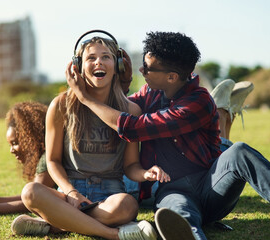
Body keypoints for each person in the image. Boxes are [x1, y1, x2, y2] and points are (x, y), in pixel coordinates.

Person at [67, 31, 270, 240]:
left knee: (239, 151)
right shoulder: (150, 92)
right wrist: (123, 82)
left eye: (148, 68)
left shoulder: (198, 101)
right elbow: (118, 108)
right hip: (172, 190)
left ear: (171, 77)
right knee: (175, 216)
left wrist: (85, 98)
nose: (142, 70)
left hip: (211, 185)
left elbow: (132, 127)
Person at [16, 33, 165, 240]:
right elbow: (52, 160)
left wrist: (145, 173)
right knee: (30, 192)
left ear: (117, 65)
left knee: (128, 206)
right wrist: (70, 192)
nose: (99, 62)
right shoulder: (60, 105)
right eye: (91, 58)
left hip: (111, 195)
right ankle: (113, 234)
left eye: (106, 57)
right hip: (70, 193)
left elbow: (131, 166)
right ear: (77, 66)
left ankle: (58, 224)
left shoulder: (131, 110)